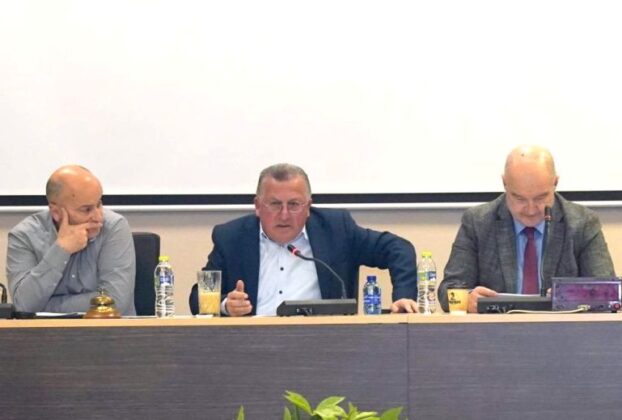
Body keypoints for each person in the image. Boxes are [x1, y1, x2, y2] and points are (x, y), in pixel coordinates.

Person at [189, 163, 418, 316]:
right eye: (275, 204)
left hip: (326, 346)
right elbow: (197, 297)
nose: (284, 215)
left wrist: (403, 298)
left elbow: (398, 248)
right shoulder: (231, 237)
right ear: (258, 206)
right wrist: (226, 305)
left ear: (308, 207)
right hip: (252, 347)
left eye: (294, 204)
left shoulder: (335, 230)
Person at [439, 145, 615, 313]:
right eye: (519, 199)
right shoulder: (478, 222)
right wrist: (468, 299)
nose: (531, 210)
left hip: (563, 331)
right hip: (496, 330)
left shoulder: (582, 223)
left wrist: (569, 295)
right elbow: (448, 290)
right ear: (505, 183)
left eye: (540, 198)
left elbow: (609, 293)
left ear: (555, 183)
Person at [6, 165, 136, 315]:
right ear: (56, 212)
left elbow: (115, 303)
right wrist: (61, 250)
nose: (98, 217)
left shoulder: (114, 227)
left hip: (109, 329)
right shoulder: (23, 236)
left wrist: (44, 308)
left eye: (99, 204)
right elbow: (23, 305)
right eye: (86, 210)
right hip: (46, 330)